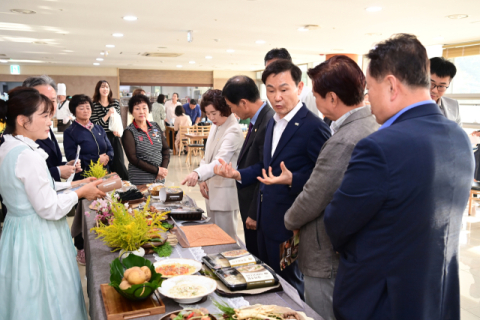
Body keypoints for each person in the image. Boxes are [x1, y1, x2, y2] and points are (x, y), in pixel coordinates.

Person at [323, 34, 474, 320]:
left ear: (391, 85)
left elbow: (338, 222)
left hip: (383, 299)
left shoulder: (381, 146)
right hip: (436, 294)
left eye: (370, 88)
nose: (368, 98)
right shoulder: (459, 137)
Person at [214, 60, 331, 297]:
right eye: (270, 90)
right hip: (266, 222)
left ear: (299, 88)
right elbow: (263, 167)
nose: (277, 97)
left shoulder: (313, 127)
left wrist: (292, 179)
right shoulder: (272, 124)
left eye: (284, 89)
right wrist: (237, 173)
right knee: (267, 281)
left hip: (291, 225)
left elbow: (327, 178)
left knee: (290, 286)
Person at [282, 56, 379, 320]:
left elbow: (315, 195)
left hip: (325, 253)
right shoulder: (372, 123)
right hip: (355, 249)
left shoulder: (345, 140)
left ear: (333, 98)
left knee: (322, 312)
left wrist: (289, 219)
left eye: (317, 95)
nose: (315, 102)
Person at [0, 87, 106, 320]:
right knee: (50, 293)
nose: (51, 121)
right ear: (22, 121)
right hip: (38, 235)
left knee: (23, 293)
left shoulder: (8, 146)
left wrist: (73, 185)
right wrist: (81, 193)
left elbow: (33, 190)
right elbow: (48, 207)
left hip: (18, 231)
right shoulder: (28, 155)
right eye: (44, 115)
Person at [222, 75, 275, 258]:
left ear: (243, 103)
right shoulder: (257, 120)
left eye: (231, 106)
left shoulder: (269, 121)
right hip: (251, 203)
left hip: (258, 207)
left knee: (261, 258)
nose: (232, 111)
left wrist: (253, 212)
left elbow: (266, 169)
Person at [181, 89, 244, 240]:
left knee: (227, 238)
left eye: (214, 113)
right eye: (207, 114)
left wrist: (197, 173)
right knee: (214, 237)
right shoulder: (216, 125)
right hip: (211, 190)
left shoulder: (233, 130)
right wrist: (203, 180)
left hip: (225, 195)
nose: (210, 118)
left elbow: (219, 161)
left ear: (225, 108)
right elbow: (207, 156)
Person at [23, 75, 81, 181]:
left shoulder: (46, 127)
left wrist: (66, 166)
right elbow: (28, 176)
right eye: (42, 99)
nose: (49, 105)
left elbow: (52, 163)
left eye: (53, 100)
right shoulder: (22, 134)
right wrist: (58, 171)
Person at [63, 94, 114, 181]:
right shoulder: (70, 132)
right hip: (84, 177)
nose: (85, 111)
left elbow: (110, 148)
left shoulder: (99, 128)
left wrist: (108, 157)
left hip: (104, 174)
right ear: (74, 111)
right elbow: (72, 157)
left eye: (88, 107)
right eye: (81, 108)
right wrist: (97, 159)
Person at [122, 94, 169, 185]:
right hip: (140, 180)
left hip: (159, 178)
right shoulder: (129, 132)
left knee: (159, 199)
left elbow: (166, 149)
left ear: (149, 110)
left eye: (144, 108)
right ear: (132, 112)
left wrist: (162, 169)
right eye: (137, 108)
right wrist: (157, 170)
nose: (141, 112)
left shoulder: (155, 126)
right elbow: (133, 159)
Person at [91, 80, 129, 180]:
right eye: (102, 87)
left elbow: (118, 120)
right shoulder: (94, 105)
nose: (105, 89)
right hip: (100, 138)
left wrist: (118, 131)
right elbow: (95, 124)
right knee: (105, 165)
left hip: (113, 137)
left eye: (107, 87)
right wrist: (107, 115)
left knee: (119, 163)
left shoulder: (115, 103)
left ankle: (124, 185)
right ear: (98, 89)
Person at [264, 48, 320, 117]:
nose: (272, 73)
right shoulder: (272, 95)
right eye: (268, 69)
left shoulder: (307, 94)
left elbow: (313, 121)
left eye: (277, 69)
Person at [430, 57, 461, 125]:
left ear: (449, 84)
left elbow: (458, 133)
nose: (434, 90)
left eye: (441, 86)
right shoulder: (406, 104)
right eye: (431, 84)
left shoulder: (453, 105)